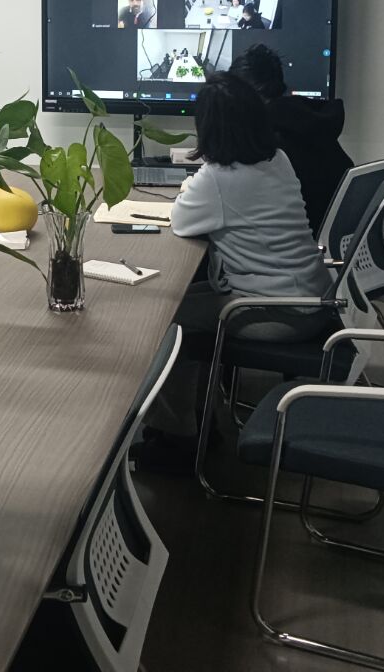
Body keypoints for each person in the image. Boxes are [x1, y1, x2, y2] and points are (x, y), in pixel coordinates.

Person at [141, 71, 332, 462]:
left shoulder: (218, 179)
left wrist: (195, 184)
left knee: (161, 316)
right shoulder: (277, 159)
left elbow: (181, 221)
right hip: (313, 298)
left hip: (276, 313)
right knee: (183, 300)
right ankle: (198, 419)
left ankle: (179, 439)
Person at [229, 42, 354, 235]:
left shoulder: (270, 142)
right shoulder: (307, 121)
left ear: (247, 94)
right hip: (324, 234)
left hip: (296, 238)